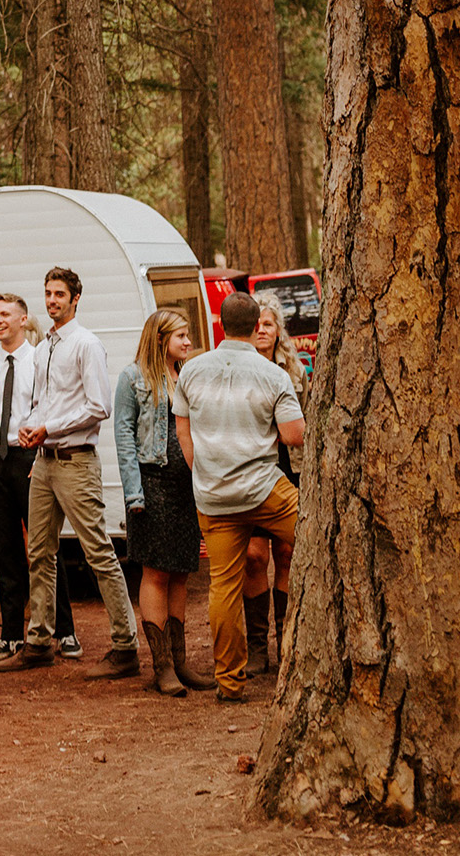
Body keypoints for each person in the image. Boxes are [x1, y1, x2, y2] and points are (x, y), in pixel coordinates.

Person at [0, 267, 140, 679]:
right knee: (39, 552)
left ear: (76, 298)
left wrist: (50, 428)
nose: (52, 300)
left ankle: (125, 646)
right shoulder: (42, 349)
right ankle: (39, 640)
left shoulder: (86, 344)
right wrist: (31, 425)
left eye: (60, 294)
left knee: (98, 551)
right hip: (43, 462)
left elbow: (100, 406)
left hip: (77, 460)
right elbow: (44, 402)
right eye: (47, 293)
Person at [173, 289, 305, 703]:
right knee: (321, 536)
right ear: (255, 326)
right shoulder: (273, 375)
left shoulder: (192, 370)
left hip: (213, 495)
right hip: (265, 488)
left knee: (222, 587)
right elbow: (293, 436)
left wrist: (204, 472)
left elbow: (183, 431)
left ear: (221, 325)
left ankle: (230, 683)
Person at [113, 309, 211, 696]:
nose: (187, 342)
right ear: (159, 339)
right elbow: (123, 437)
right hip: (151, 485)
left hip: (186, 485)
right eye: (181, 336)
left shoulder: (186, 374)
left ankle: (181, 661)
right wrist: (134, 493)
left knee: (182, 570)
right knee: (155, 572)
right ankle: (162, 666)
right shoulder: (132, 377)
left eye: (187, 335)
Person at [0, 293, 75, 660]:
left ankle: (65, 630)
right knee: (5, 550)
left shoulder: (38, 360)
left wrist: (41, 451)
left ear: (23, 320)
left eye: (6, 314)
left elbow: (49, 405)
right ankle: (10, 634)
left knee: (42, 548)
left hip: (29, 457)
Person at [242, 290, 309, 673]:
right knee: (254, 557)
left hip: (290, 469)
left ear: (278, 330)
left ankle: (286, 641)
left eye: (268, 324)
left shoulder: (294, 372)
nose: (261, 329)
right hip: (252, 470)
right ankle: (257, 648)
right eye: (256, 324)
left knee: (286, 554)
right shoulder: (240, 368)